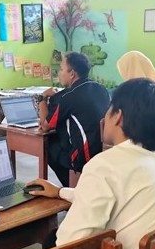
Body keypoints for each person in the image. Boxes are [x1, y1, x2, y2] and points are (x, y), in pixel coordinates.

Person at [27, 78, 155, 249]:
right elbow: (122, 197)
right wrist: (60, 192)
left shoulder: (104, 165)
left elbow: (69, 245)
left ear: (118, 116)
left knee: (52, 244)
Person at [38, 51, 110, 187]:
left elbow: (45, 126)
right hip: (103, 151)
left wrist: (42, 98)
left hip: (84, 157)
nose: (59, 73)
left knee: (46, 143)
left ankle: (73, 186)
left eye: (61, 69)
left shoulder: (68, 97)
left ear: (72, 74)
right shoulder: (100, 88)